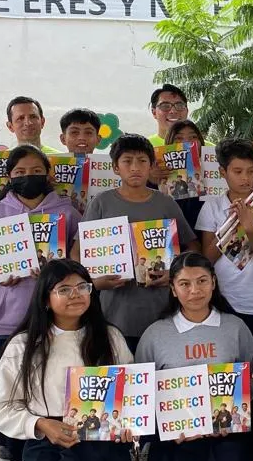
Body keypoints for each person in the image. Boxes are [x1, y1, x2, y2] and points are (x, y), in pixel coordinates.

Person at [0, 259, 135, 461]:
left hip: (103, 444)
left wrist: (131, 426)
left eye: (82, 287)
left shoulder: (110, 337)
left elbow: (131, 394)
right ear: (46, 298)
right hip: (52, 445)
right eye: (64, 289)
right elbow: (1, 408)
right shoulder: (24, 345)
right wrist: (41, 424)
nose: (75, 294)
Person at [0, 145, 82, 461]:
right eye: (19, 172)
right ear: (8, 177)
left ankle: (65, 450)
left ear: (48, 174)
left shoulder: (68, 213)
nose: (28, 177)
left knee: (54, 387)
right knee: (14, 392)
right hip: (8, 317)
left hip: (60, 318)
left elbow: (81, 259)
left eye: (35, 171)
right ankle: (18, 460)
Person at [135, 253, 253, 461]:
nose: (195, 290)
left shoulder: (235, 327)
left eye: (202, 281)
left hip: (224, 440)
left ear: (214, 283)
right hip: (176, 443)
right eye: (185, 284)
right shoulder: (155, 334)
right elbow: (142, 394)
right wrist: (168, 428)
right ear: (172, 288)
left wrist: (233, 417)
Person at [82, 134, 197, 352]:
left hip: (162, 311)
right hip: (114, 314)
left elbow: (192, 246)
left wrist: (174, 274)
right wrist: (94, 283)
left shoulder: (166, 202)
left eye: (142, 161)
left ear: (151, 166)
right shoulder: (101, 203)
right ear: (115, 167)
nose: (135, 167)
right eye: (127, 161)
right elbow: (78, 252)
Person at [197, 139, 253, 342]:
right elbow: (207, 259)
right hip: (221, 302)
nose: (245, 178)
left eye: (251, 171)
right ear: (222, 172)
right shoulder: (212, 207)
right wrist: (231, 224)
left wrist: (250, 228)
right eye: (238, 171)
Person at [162, 119, 208, 233]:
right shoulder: (159, 173)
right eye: (179, 138)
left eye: (193, 137)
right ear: (169, 143)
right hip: (175, 235)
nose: (187, 142)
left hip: (209, 233)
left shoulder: (216, 169)